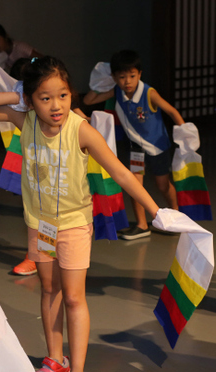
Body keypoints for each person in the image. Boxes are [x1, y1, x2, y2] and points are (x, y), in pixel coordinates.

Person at [0, 56, 161, 372]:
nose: (57, 106)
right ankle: (55, 361)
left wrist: (155, 211)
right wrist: (17, 96)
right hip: (39, 225)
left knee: (72, 298)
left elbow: (121, 172)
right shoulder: (24, 120)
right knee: (49, 290)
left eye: (64, 95)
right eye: (46, 97)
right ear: (31, 99)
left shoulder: (80, 130)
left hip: (73, 226)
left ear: (72, 94)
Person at [83, 50, 184, 240]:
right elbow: (89, 100)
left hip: (157, 146)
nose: (127, 81)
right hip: (136, 148)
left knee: (162, 185)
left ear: (140, 74)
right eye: (121, 77)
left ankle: (176, 212)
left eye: (132, 76)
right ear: (114, 77)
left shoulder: (149, 93)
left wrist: (185, 132)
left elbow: (172, 111)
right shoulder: (117, 91)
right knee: (134, 183)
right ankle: (142, 224)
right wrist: (101, 81)